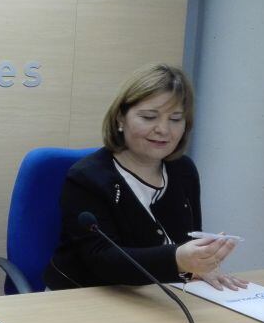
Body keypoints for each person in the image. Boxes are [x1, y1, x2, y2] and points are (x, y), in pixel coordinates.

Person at [44, 64, 247, 292]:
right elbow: (100, 260)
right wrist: (178, 259)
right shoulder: (87, 177)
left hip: (162, 293)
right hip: (88, 294)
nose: (163, 129)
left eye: (176, 119)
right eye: (149, 117)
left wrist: (200, 262)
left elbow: (188, 237)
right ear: (120, 118)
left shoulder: (183, 170)